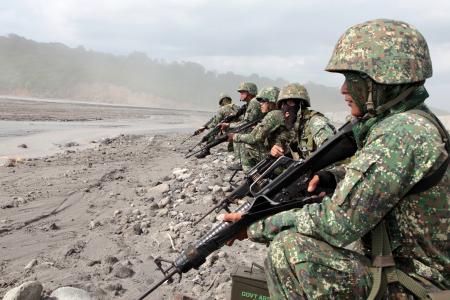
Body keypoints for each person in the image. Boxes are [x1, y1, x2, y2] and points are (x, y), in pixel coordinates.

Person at [225, 19, 449, 299]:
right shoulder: (404, 122)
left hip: (421, 284)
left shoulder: (403, 132)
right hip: (403, 269)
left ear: (383, 80)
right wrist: (334, 178)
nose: (343, 89)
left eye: (352, 79)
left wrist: (254, 226)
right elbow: (384, 179)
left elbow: (337, 223)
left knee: (288, 249)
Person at [227, 86, 290, 172]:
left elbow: (254, 138)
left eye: (263, 101)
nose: (260, 103)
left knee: (247, 145)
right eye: (260, 101)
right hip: (282, 157)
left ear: (272, 101)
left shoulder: (274, 114)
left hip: (279, 162)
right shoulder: (278, 113)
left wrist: (234, 137)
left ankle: (253, 179)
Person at [270, 83, 335, 160]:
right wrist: (275, 152)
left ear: (301, 105)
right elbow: (288, 149)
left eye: (290, 103)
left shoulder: (316, 122)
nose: (286, 110)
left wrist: (321, 172)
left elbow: (333, 153)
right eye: (283, 105)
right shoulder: (297, 127)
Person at [220, 82, 263, 170]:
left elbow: (248, 123)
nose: (240, 95)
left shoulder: (254, 102)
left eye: (243, 92)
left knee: (239, 132)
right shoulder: (250, 103)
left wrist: (229, 125)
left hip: (258, 130)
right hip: (257, 128)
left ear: (250, 92)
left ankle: (241, 162)